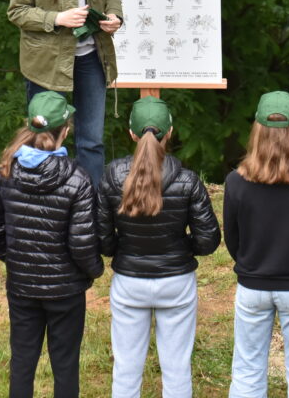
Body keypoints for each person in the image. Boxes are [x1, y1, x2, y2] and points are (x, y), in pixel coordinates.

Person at [0, 91, 102, 398]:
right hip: (66, 289)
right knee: (65, 364)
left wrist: (15, 258)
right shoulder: (78, 178)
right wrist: (93, 271)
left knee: (22, 361)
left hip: (22, 286)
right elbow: (82, 242)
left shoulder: (7, 170)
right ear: (66, 130)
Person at [97, 96, 221, 397]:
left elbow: (103, 237)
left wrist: (121, 250)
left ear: (131, 133)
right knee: (177, 368)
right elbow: (208, 240)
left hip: (129, 280)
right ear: (170, 132)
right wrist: (182, 248)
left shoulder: (112, 176)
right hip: (176, 281)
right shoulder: (189, 181)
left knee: (126, 369)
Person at [8, 0, 124, 188]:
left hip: (91, 57)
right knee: (46, 138)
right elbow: (17, 11)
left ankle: (92, 206)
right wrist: (58, 18)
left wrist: (115, 17)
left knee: (91, 141)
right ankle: (48, 201)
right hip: (45, 64)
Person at [224, 91, 289, 397]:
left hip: (252, 284)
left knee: (247, 369)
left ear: (256, 129)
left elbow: (233, 238)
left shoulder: (236, 182)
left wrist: (251, 261)